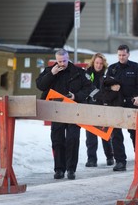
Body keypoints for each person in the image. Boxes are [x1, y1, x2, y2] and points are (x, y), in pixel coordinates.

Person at [36, 49, 92, 180]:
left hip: (73, 111)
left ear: (68, 58)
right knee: (57, 140)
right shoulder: (50, 70)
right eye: (59, 61)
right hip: (56, 112)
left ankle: (71, 169)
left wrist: (76, 96)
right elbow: (40, 86)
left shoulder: (79, 72)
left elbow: (89, 88)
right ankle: (59, 169)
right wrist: (51, 74)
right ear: (56, 60)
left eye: (64, 61)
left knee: (73, 140)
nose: (62, 63)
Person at [106, 44, 138, 171]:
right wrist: (110, 87)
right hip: (117, 104)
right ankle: (120, 162)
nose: (121, 57)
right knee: (116, 134)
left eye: (124, 55)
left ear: (128, 54)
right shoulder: (112, 68)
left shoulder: (135, 67)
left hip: (132, 104)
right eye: (119, 55)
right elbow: (105, 85)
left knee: (134, 132)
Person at [85, 53, 115, 167]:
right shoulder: (87, 73)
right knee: (90, 136)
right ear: (93, 63)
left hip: (103, 107)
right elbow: (87, 87)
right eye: (97, 63)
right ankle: (91, 159)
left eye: (101, 63)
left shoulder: (107, 73)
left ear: (103, 64)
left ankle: (110, 157)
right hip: (90, 107)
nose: (98, 65)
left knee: (105, 134)